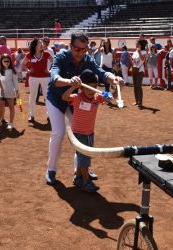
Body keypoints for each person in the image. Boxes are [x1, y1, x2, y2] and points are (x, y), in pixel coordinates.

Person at [45, 31, 123, 185]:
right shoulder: (61, 57)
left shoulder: (88, 59)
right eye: (77, 49)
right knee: (59, 133)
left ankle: (80, 171)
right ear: (70, 46)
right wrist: (69, 81)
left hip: (76, 100)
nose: (81, 53)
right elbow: (54, 77)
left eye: (84, 49)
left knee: (81, 134)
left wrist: (113, 78)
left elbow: (100, 72)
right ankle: (51, 169)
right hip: (56, 99)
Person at [62, 70, 104, 192]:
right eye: (88, 88)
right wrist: (72, 87)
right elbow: (64, 97)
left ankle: (78, 177)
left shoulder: (97, 97)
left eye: (95, 87)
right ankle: (86, 181)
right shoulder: (77, 98)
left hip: (90, 133)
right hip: (79, 134)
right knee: (84, 159)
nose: (92, 91)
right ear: (82, 87)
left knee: (84, 157)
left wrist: (113, 93)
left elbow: (111, 98)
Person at [22, 38, 53, 123]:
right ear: (35, 45)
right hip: (33, 78)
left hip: (45, 77)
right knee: (32, 96)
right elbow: (23, 64)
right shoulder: (29, 55)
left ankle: (49, 115)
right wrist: (28, 71)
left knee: (47, 97)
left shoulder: (46, 54)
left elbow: (55, 62)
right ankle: (31, 115)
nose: (42, 45)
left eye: (42, 43)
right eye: (40, 43)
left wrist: (50, 71)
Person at [0, 54, 19, 130]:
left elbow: (15, 82)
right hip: (1, 92)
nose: (7, 62)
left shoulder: (13, 70)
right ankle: (2, 119)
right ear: (1, 61)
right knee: (1, 107)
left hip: (10, 91)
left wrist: (17, 91)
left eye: (8, 61)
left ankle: (11, 123)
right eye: (5, 61)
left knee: (11, 107)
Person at [130, 39, 147, 109]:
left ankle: (140, 102)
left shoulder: (143, 51)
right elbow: (134, 63)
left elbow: (143, 60)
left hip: (140, 71)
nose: (137, 45)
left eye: (138, 44)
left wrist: (139, 52)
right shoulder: (134, 52)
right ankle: (137, 101)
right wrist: (131, 59)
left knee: (138, 86)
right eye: (136, 44)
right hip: (135, 70)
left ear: (141, 45)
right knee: (135, 86)